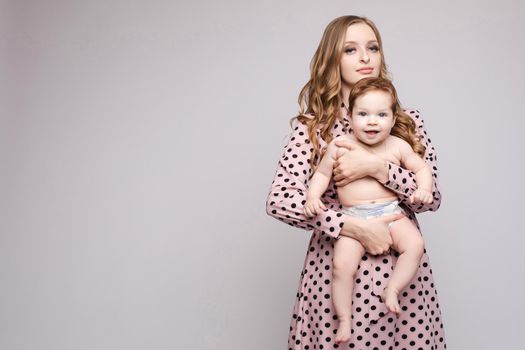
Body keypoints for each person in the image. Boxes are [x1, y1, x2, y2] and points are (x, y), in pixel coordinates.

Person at [266, 16, 446, 350]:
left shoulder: (406, 122)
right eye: (351, 49)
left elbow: (430, 197)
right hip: (338, 273)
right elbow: (279, 199)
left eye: (372, 48)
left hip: (402, 278)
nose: (365, 58)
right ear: (332, 59)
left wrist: (379, 168)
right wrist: (349, 225)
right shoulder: (313, 128)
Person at [303, 77, 433, 344]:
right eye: (363, 114)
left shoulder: (397, 145)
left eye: (381, 114)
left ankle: (393, 289)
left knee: (415, 244)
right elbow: (321, 174)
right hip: (353, 219)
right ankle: (345, 320)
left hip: (391, 214)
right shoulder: (340, 145)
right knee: (341, 267)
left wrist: (424, 188)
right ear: (349, 116)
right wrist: (313, 197)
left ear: (393, 117)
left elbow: (422, 168)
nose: (372, 121)